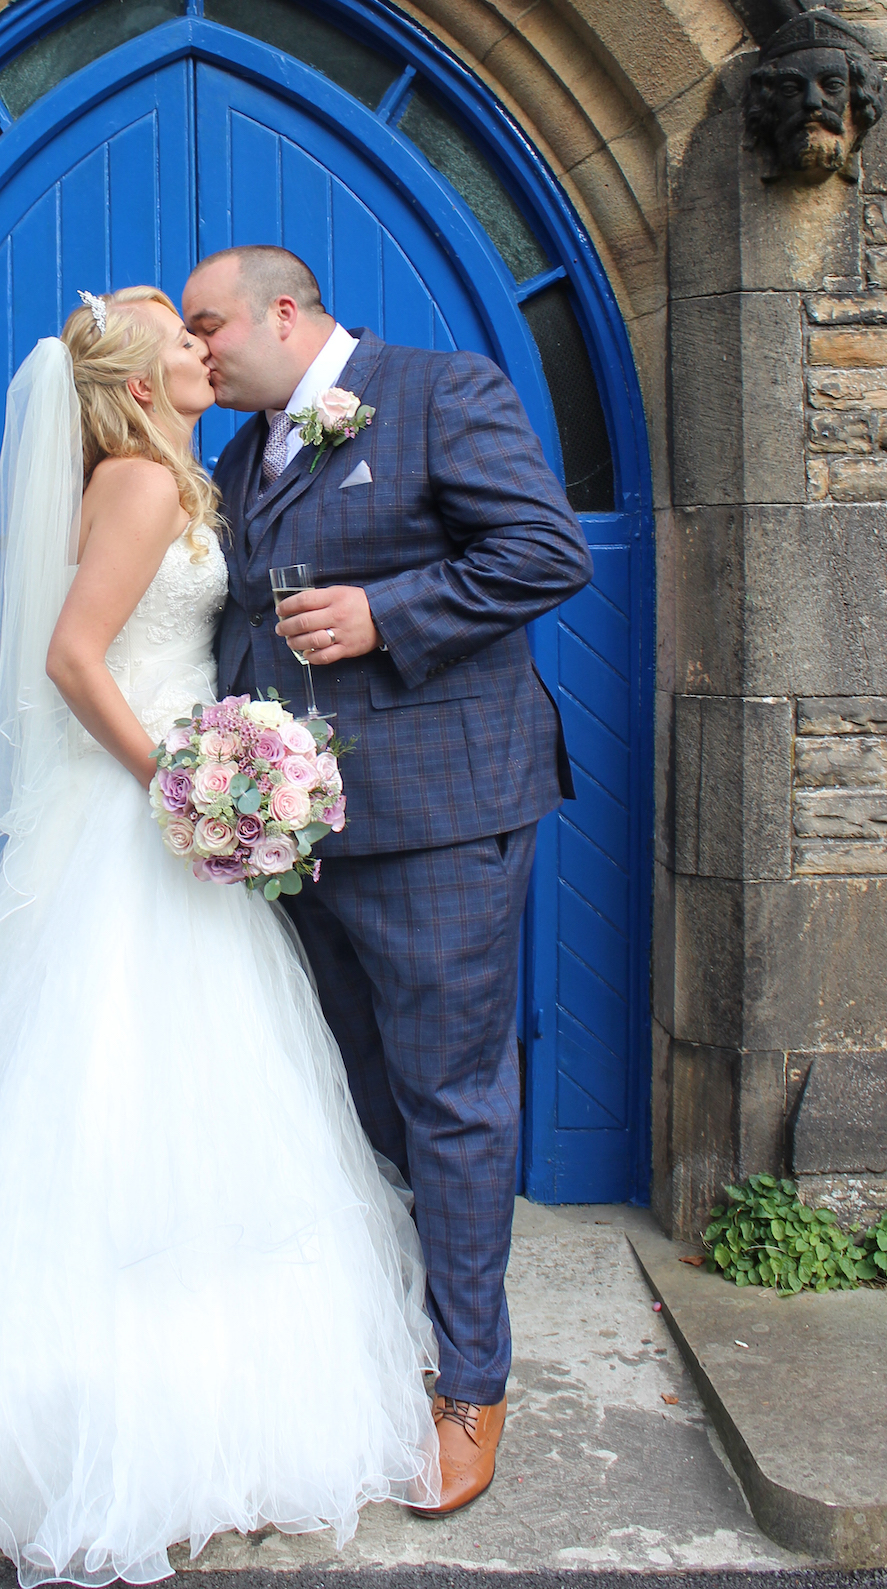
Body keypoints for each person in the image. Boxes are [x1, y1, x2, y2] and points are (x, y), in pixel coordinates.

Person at [0, 286, 439, 1589]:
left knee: (185, 1092)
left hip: (164, 806)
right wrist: (181, 783)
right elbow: (74, 656)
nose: (206, 347)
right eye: (182, 337)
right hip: (137, 819)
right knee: (124, 1081)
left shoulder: (166, 474)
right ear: (143, 382)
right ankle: (96, 1414)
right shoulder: (143, 486)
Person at [182, 246, 593, 1516]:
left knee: (452, 1101)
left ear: (285, 312)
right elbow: (243, 621)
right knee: (359, 1100)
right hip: (301, 835)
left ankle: (470, 1385)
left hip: (441, 823)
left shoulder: (439, 392)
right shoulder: (239, 457)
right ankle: (389, 1338)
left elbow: (546, 552)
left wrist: (386, 614)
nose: (198, 351)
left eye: (209, 325)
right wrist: (223, 767)